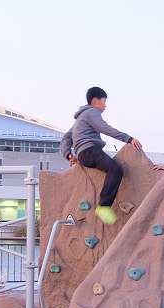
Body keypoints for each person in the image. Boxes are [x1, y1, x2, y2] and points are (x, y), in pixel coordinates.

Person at [59, 86, 143, 225]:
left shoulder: (80, 118)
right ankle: (104, 206)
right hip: (91, 151)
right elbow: (105, 128)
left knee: (111, 169)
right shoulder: (92, 112)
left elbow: (66, 138)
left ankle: (104, 206)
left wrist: (68, 155)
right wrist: (128, 139)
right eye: (103, 101)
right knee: (116, 169)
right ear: (95, 100)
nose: (105, 105)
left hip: (84, 154)